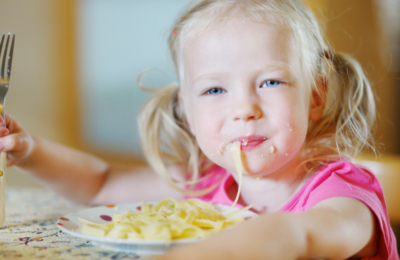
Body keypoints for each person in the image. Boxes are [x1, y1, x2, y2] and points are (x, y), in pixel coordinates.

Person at [0, 0, 398, 259]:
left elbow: (298, 236)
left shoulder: (343, 198)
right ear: (186, 111)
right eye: (214, 89)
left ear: (315, 94)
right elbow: (100, 183)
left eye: (271, 82)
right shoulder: (207, 186)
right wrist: (31, 152)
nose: (244, 109)